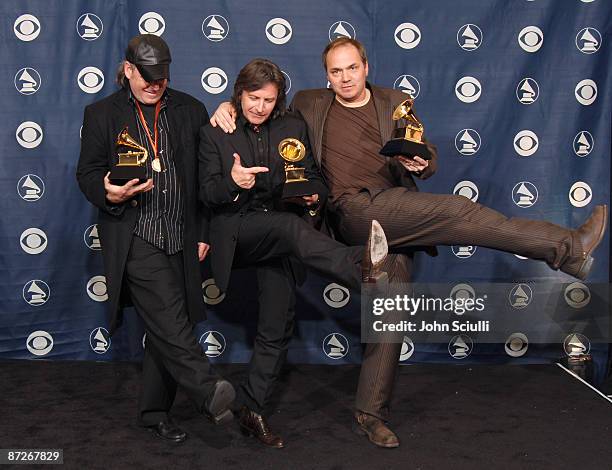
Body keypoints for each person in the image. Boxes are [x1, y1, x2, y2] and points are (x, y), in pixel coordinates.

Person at [209, 37, 608, 449]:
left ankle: (369, 413)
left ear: (366, 66)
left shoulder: (394, 101)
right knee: (456, 209)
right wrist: (228, 107)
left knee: (391, 301)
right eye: (335, 71)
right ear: (326, 76)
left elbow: (424, 151)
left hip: (395, 215)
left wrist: (422, 161)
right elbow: (264, 112)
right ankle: (567, 248)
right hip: (351, 212)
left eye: (351, 68)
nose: (344, 77)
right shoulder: (310, 103)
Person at [199, 58, 388, 449]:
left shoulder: (292, 126)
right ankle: (359, 266)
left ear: (278, 99)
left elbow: (314, 177)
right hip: (237, 231)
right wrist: (233, 182)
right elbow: (206, 194)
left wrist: (313, 195)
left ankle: (252, 410)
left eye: (268, 99)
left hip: (281, 237)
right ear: (238, 93)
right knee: (287, 227)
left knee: (277, 323)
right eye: (253, 98)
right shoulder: (217, 129)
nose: (259, 107)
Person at [76, 34, 236, 444]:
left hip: (181, 236)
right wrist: (106, 191)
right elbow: (88, 173)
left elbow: (204, 178)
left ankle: (153, 412)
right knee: (170, 316)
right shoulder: (101, 114)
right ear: (127, 69)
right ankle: (206, 389)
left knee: (164, 327)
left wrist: (202, 233)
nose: (153, 85)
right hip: (134, 236)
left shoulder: (190, 109)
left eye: (160, 78)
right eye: (145, 76)